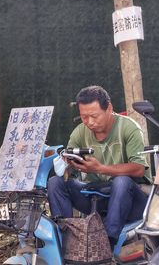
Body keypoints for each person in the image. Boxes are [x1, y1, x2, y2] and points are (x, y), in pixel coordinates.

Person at [47, 85, 150, 246]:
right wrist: (68, 164)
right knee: (55, 182)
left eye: (94, 116)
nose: (89, 122)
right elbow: (68, 173)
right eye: (84, 117)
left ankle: (107, 244)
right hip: (97, 197)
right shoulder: (79, 132)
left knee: (121, 181)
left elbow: (138, 168)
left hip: (131, 200)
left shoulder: (129, 128)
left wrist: (99, 168)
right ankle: (67, 239)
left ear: (109, 108)